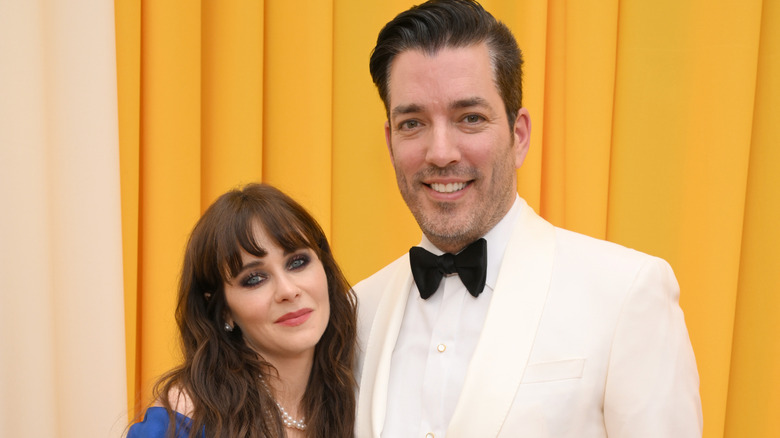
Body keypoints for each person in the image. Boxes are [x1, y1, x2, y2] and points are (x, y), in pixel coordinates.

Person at [354, 1, 703, 437]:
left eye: (470, 118)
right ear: (390, 143)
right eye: (412, 123)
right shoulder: (356, 312)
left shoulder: (627, 293)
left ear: (518, 136)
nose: (440, 152)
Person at [127, 183, 357, 438]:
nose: (288, 290)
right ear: (223, 309)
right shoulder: (184, 421)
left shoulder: (359, 388)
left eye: (297, 262)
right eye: (255, 279)